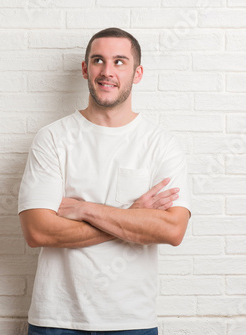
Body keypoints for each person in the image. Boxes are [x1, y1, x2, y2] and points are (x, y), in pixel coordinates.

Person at [18, 27, 192, 335]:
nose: (107, 71)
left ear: (137, 73)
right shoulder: (53, 139)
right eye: (98, 60)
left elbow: (172, 230)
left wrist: (86, 209)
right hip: (56, 319)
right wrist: (134, 217)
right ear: (85, 69)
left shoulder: (161, 144)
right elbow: (37, 230)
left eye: (119, 62)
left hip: (132, 320)